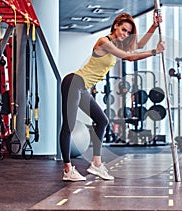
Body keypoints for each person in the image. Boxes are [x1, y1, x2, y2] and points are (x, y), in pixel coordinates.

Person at [60, 12, 165, 181]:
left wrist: (154, 26)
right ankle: (68, 169)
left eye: (128, 33)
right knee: (69, 126)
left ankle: (96, 163)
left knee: (102, 121)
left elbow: (138, 45)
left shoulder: (119, 45)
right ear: (116, 26)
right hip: (74, 82)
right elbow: (130, 57)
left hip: (82, 87)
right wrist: (154, 52)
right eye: (123, 30)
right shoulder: (104, 42)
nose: (125, 34)